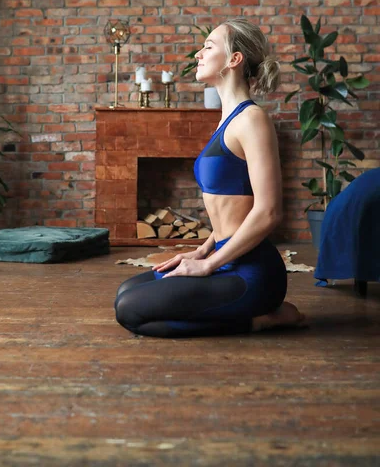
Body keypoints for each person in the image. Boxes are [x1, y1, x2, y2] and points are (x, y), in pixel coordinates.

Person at [114, 17, 305, 337]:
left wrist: (208, 266)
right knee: (126, 291)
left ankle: (264, 318)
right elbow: (231, 211)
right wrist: (201, 251)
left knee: (130, 311)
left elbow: (269, 212)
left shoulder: (252, 120)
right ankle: (244, 309)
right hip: (221, 257)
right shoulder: (226, 121)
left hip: (250, 271)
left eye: (208, 46)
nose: (197, 55)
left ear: (234, 59)